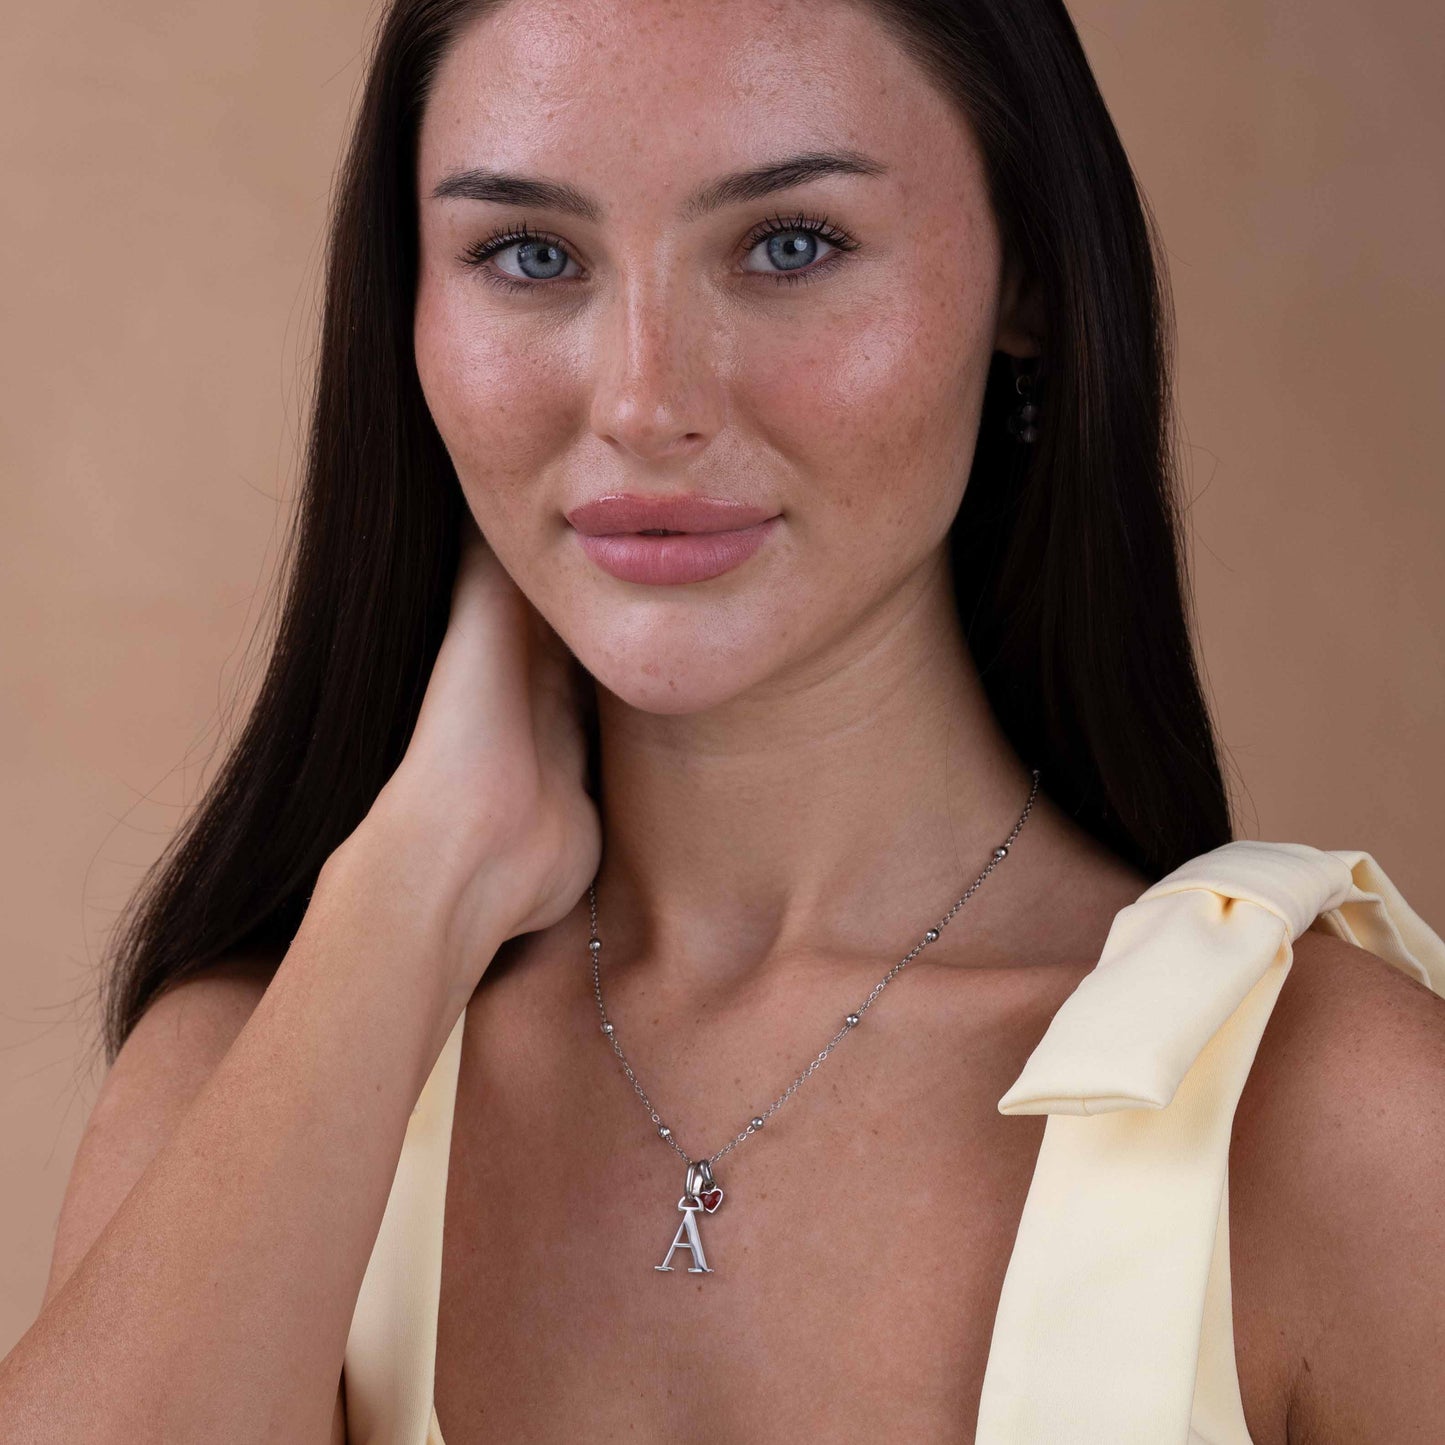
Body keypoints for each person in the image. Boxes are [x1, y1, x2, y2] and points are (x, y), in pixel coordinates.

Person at [2, 0, 1442, 1440]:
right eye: (528, 254)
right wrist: (415, 880)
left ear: (1032, 281)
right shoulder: (251, 1073)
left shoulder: (1334, 1122)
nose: (641, 400)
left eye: (789, 244)